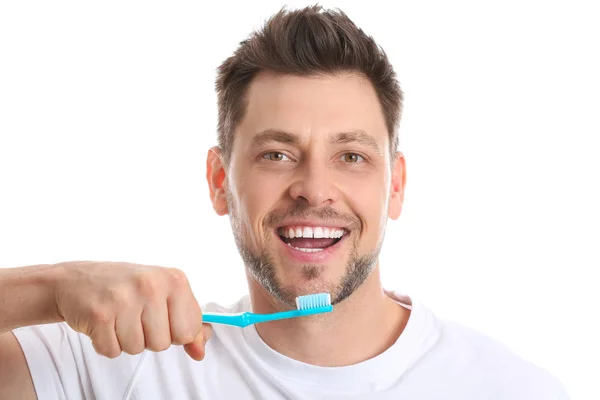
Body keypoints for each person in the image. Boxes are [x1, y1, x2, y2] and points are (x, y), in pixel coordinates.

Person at [0, 5, 569, 399]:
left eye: (351, 156)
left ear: (395, 186)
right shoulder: (120, 366)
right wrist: (52, 289)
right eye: (277, 154)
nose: (315, 189)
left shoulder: (514, 389)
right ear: (219, 181)